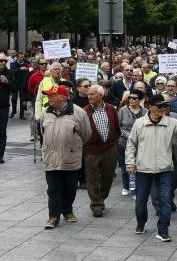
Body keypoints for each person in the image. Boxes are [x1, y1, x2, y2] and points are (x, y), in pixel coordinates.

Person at [126, 94, 177, 242]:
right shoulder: (139, 123)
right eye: (160, 106)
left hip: (165, 169)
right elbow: (131, 144)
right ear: (150, 107)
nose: (163, 109)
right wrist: (130, 163)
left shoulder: (171, 122)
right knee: (140, 200)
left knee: (165, 200)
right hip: (143, 169)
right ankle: (141, 222)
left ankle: (163, 229)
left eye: (165, 106)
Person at [41, 84, 92, 229]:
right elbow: (42, 132)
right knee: (53, 189)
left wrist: (72, 147)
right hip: (51, 157)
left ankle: (67, 210)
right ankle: (53, 217)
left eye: (52, 96)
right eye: (48, 95)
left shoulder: (78, 113)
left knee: (70, 188)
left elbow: (86, 134)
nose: (49, 98)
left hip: (70, 157)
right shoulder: (46, 112)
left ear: (62, 97)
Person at [81, 84, 120, 217]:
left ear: (101, 95)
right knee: (92, 178)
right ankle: (96, 205)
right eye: (88, 94)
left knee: (108, 177)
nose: (89, 96)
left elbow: (116, 127)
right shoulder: (84, 111)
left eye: (92, 94)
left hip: (110, 148)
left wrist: (115, 143)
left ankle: (101, 198)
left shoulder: (110, 109)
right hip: (92, 149)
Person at [117, 90, 147, 196]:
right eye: (130, 97)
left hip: (140, 145)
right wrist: (129, 135)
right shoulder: (123, 110)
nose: (131, 100)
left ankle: (134, 189)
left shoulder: (145, 112)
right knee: (126, 168)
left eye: (134, 98)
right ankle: (126, 186)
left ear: (140, 100)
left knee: (137, 169)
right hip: (124, 144)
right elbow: (119, 127)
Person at [9, 51, 30, 119]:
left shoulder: (26, 63)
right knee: (14, 98)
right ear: (17, 57)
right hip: (15, 83)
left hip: (23, 83)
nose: (22, 58)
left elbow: (28, 72)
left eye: (22, 57)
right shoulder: (13, 64)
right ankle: (14, 111)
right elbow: (11, 72)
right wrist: (19, 69)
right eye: (20, 57)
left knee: (22, 99)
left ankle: (22, 114)